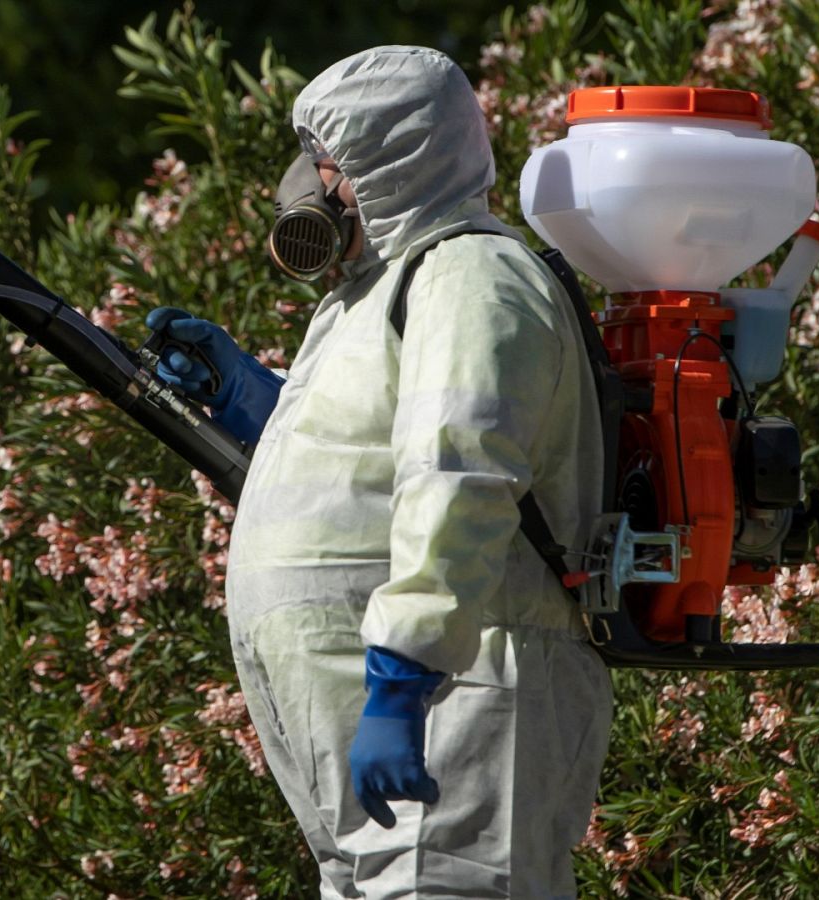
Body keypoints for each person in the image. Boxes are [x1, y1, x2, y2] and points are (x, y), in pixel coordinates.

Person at [146, 46, 613, 898]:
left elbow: (461, 466)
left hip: (456, 696)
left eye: (328, 163)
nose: (308, 187)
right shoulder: (376, 291)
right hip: (374, 702)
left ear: (391, 159)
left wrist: (403, 677)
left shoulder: (472, 272)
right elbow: (365, 460)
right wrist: (252, 399)